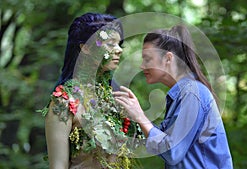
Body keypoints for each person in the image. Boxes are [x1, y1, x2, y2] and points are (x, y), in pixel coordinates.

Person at [113, 25, 233, 169]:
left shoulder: (192, 93)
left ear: (168, 58)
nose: (142, 66)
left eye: (147, 59)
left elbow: (172, 152)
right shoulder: (184, 94)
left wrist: (140, 117)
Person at [40, 12, 143, 169]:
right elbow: (58, 166)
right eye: (110, 44)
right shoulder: (63, 102)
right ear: (86, 48)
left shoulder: (114, 97)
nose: (119, 50)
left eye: (119, 44)